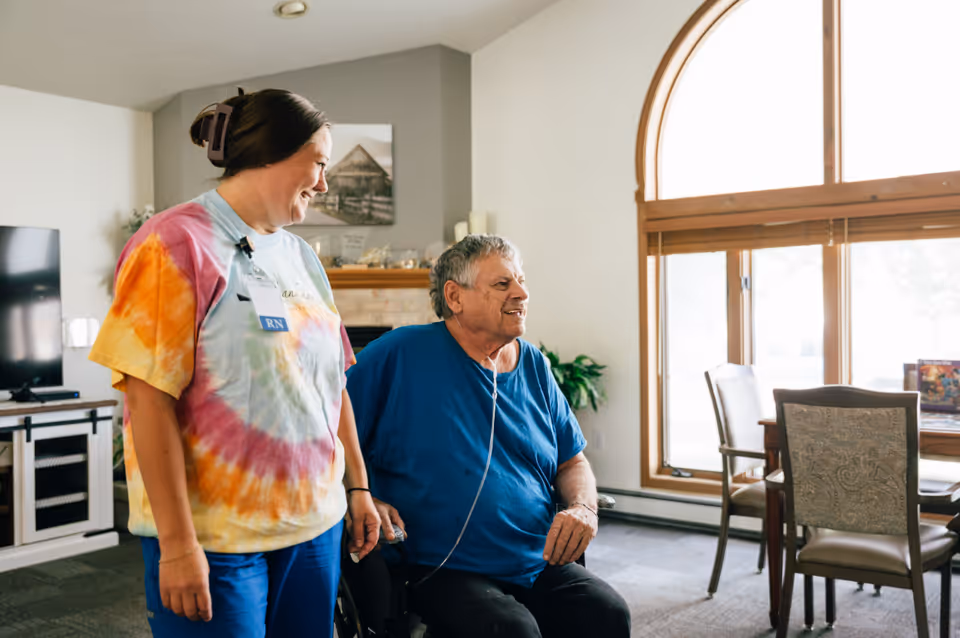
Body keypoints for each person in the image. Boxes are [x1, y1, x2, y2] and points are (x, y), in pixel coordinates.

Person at [88, 88, 380, 638]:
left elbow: (331, 382)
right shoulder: (174, 243)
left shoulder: (300, 257)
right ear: (271, 153)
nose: (324, 183)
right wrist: (176, 546)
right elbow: (147, 398)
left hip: (314, 525)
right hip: (218, 539)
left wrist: (357, 487)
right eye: (318, 163)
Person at [344, 235, 631, 638]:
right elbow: (330, 432)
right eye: (503, 284)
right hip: (441, 564)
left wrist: (583, 507)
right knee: (511, 630)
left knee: (606, 613)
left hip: (535, 557)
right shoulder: (400, 354)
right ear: (455, 297)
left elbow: (572, 460)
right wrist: (361, 494)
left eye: (522, 281)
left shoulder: (533, 364)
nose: (522, 293)